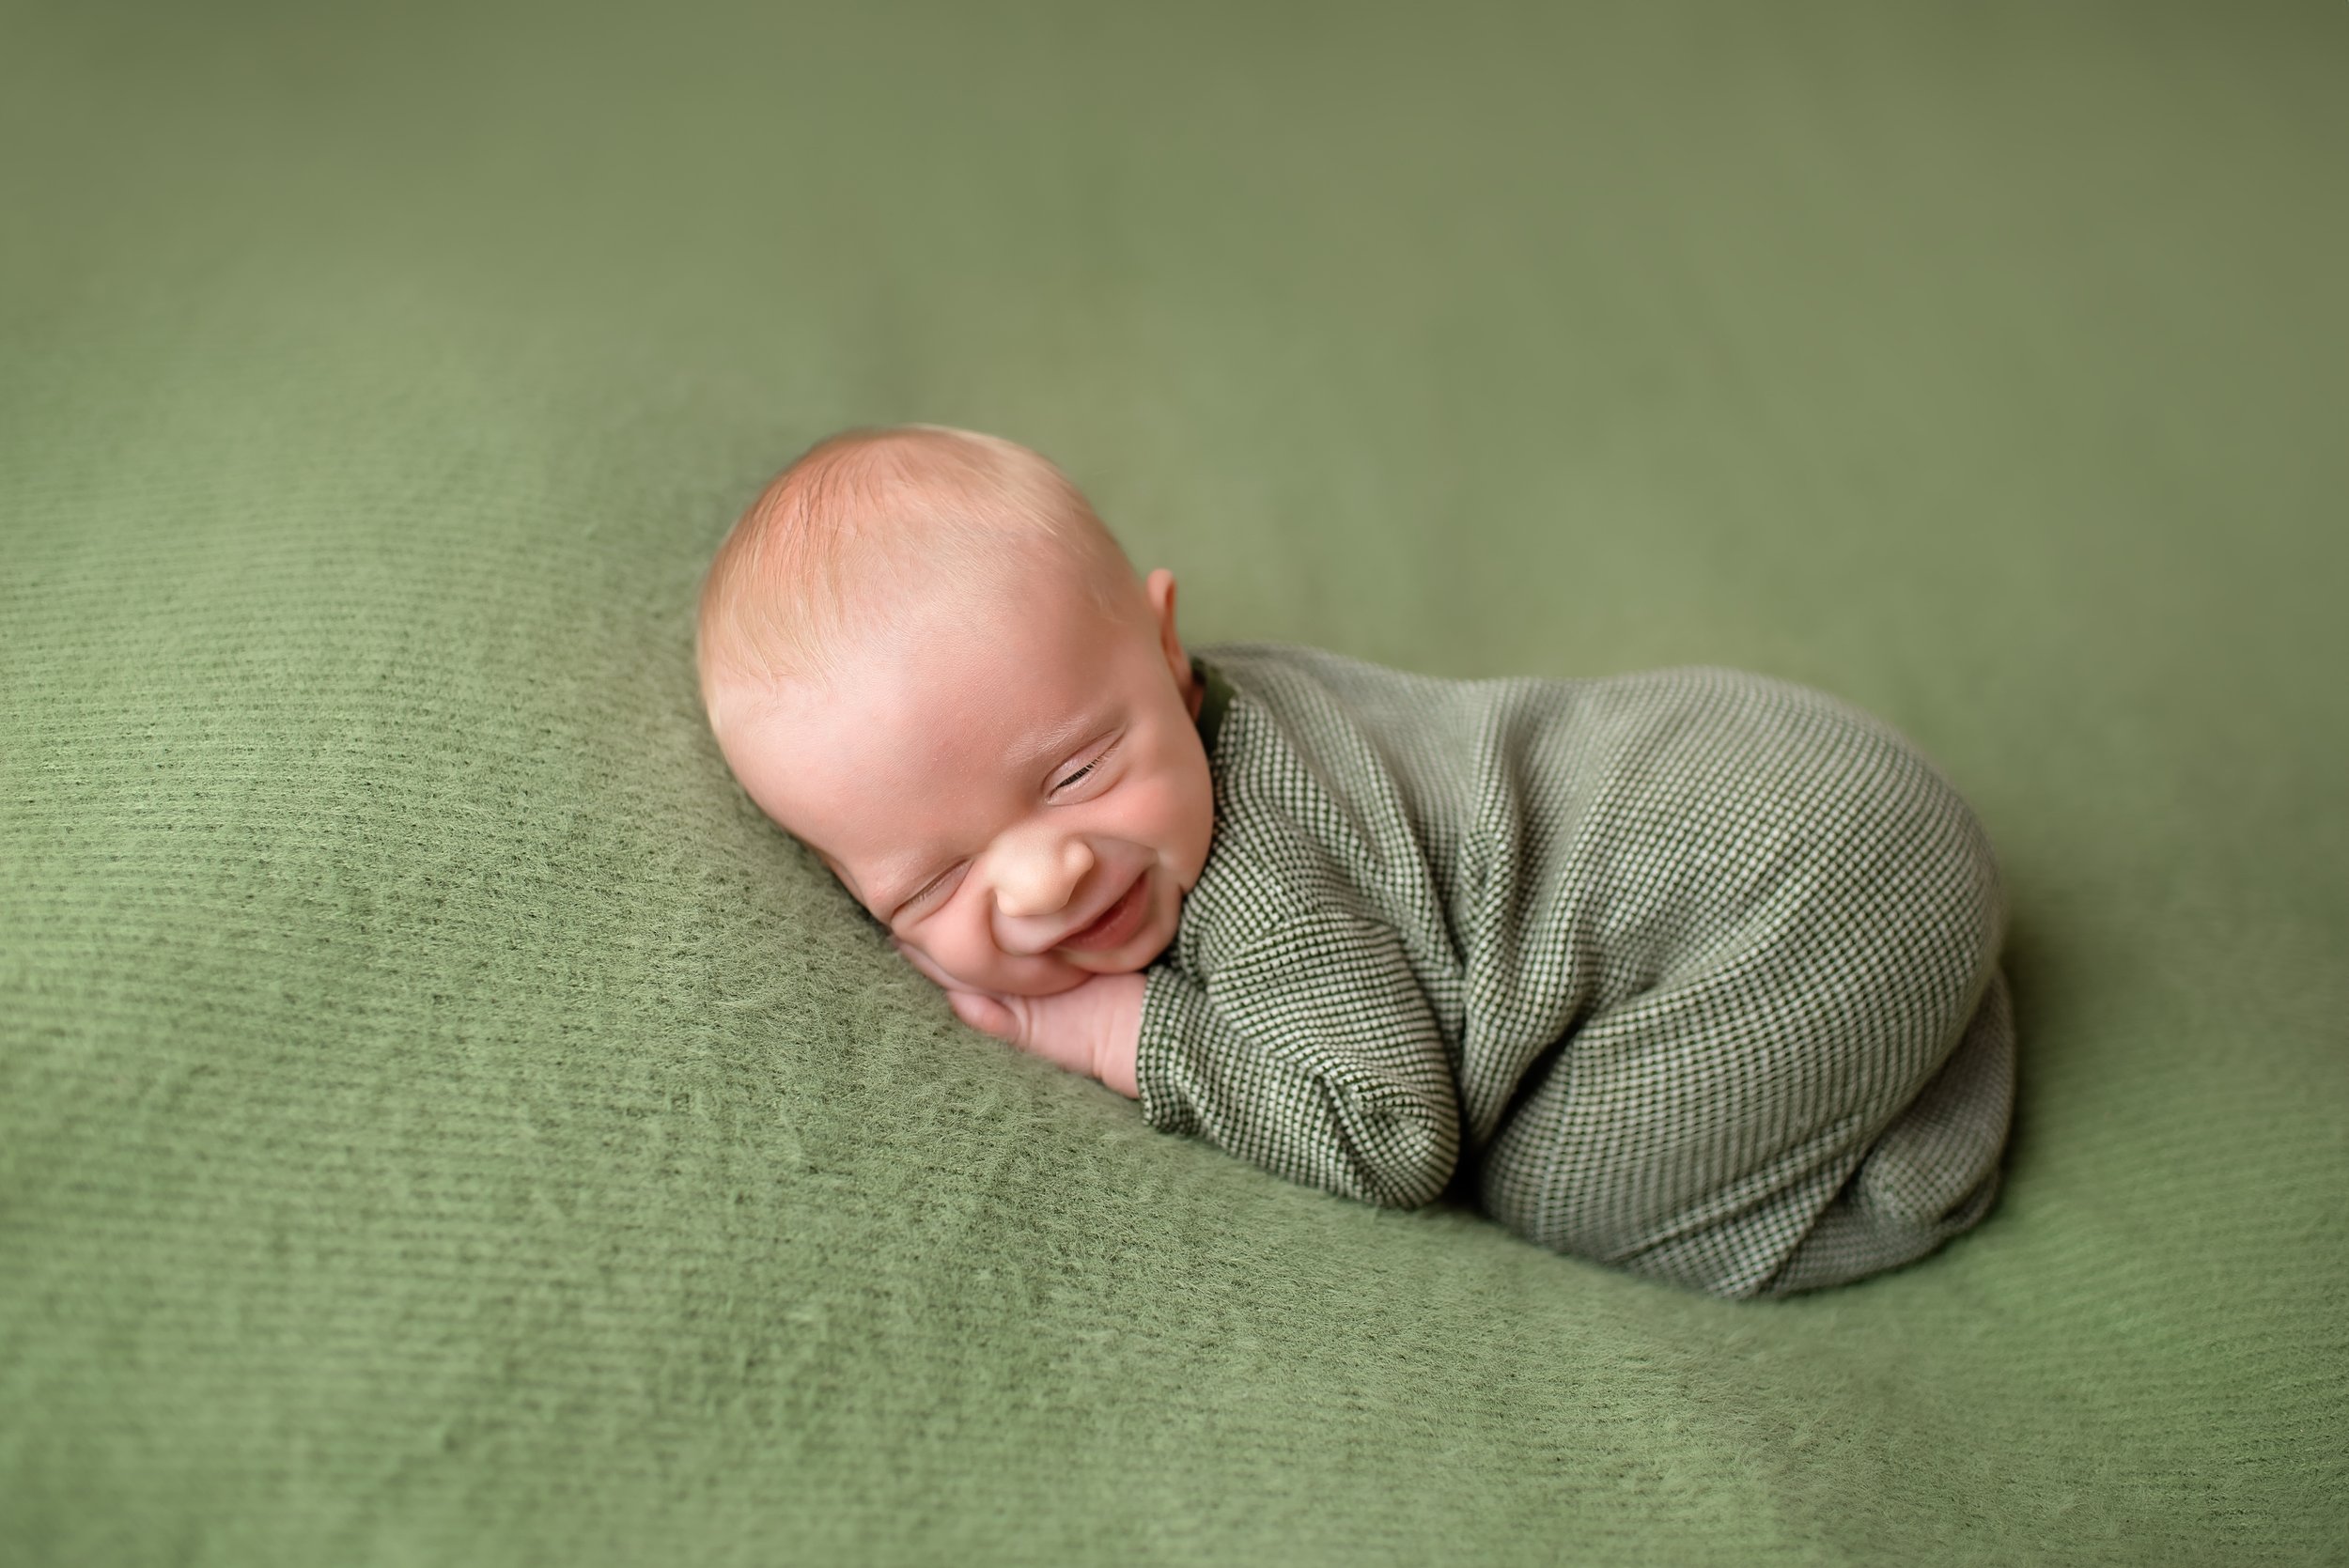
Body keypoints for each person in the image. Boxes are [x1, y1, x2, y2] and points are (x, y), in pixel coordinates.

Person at [694, 424, 2016, 1297]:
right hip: (1801, 780)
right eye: (932, 884)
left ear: (1166, 650)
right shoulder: (1197, 709)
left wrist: (1129, 1031)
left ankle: (1921, 1151)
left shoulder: (1265, 884)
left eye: (1076, 772)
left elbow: (1395, 1136)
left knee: (1554, 1188)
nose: (1044, 882)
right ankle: (1929, 1001)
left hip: (1799, 893)